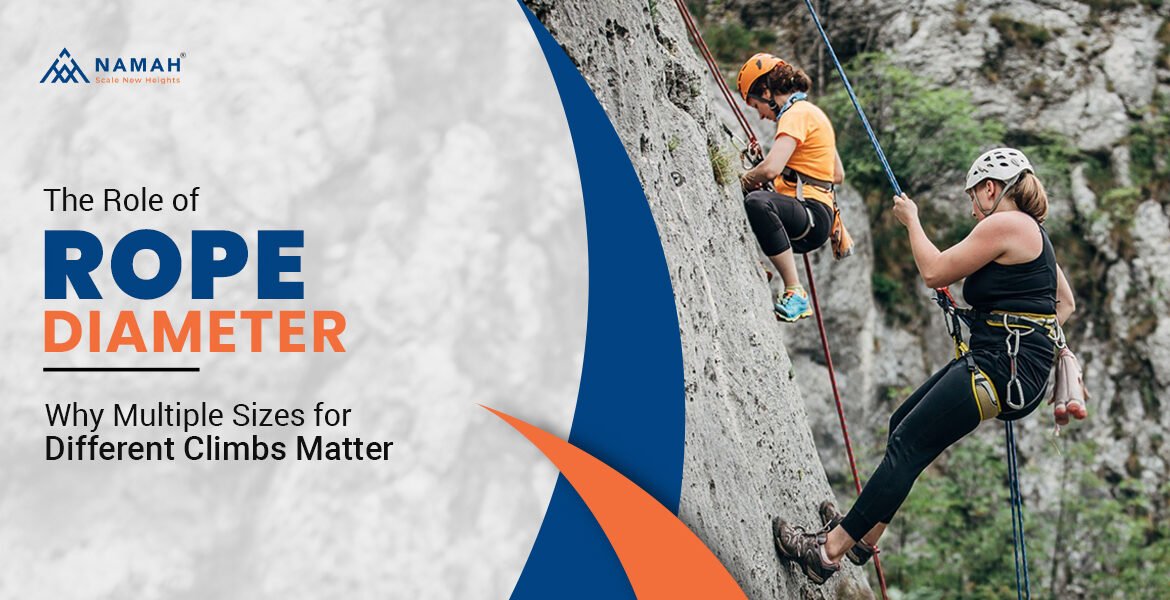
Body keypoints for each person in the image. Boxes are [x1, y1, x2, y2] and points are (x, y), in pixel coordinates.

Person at [771, 148, 1077, 584]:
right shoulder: (1035, 236)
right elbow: (1064, 304)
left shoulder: (1008, 223)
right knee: (902, 426)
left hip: (998, 369)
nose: (973, 209)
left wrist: (911, 220)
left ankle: (824, 553)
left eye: (974, 196)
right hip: (1004, 367)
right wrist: (1011, 328)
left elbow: (934, 272)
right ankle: (862, 537)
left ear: (991, 189)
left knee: (908, 445)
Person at [735, 53, 852, 322]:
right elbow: (837, 174)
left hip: (810, 213)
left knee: (756, 201)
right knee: (756, 198)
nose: (761, 116)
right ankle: (757, 263)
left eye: (756, 106)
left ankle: (795, 291)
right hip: (818, 216)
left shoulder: (795, 114)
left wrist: (742, 179)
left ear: (766, 91)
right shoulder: (812, 113)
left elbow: (770, 169)